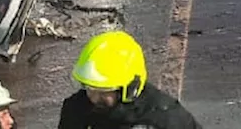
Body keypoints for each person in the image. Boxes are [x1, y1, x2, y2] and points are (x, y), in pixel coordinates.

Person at [58, 30, 201, 129]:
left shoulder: (165, 119)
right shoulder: (76, 108)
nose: (94, 98)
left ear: (130, 88)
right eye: (89, 88)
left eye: (104, 92)